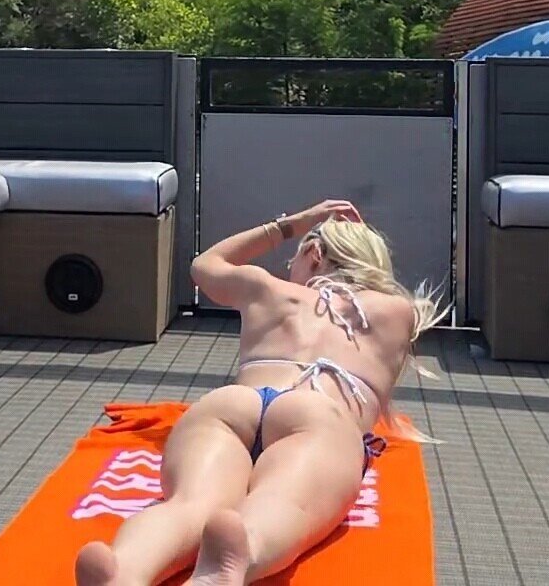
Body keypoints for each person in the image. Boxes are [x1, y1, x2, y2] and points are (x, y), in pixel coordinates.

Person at [75, 199, 441, 586]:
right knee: (282, 503)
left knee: (190, 504)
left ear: (314, 254)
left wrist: (290, 225)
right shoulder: (397, 311)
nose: (290, 269)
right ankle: (237, 555)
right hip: (318, 416)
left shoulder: (267, 289)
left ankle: (125, 569)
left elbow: (203, 265)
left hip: (234, 404)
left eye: (294, 260)